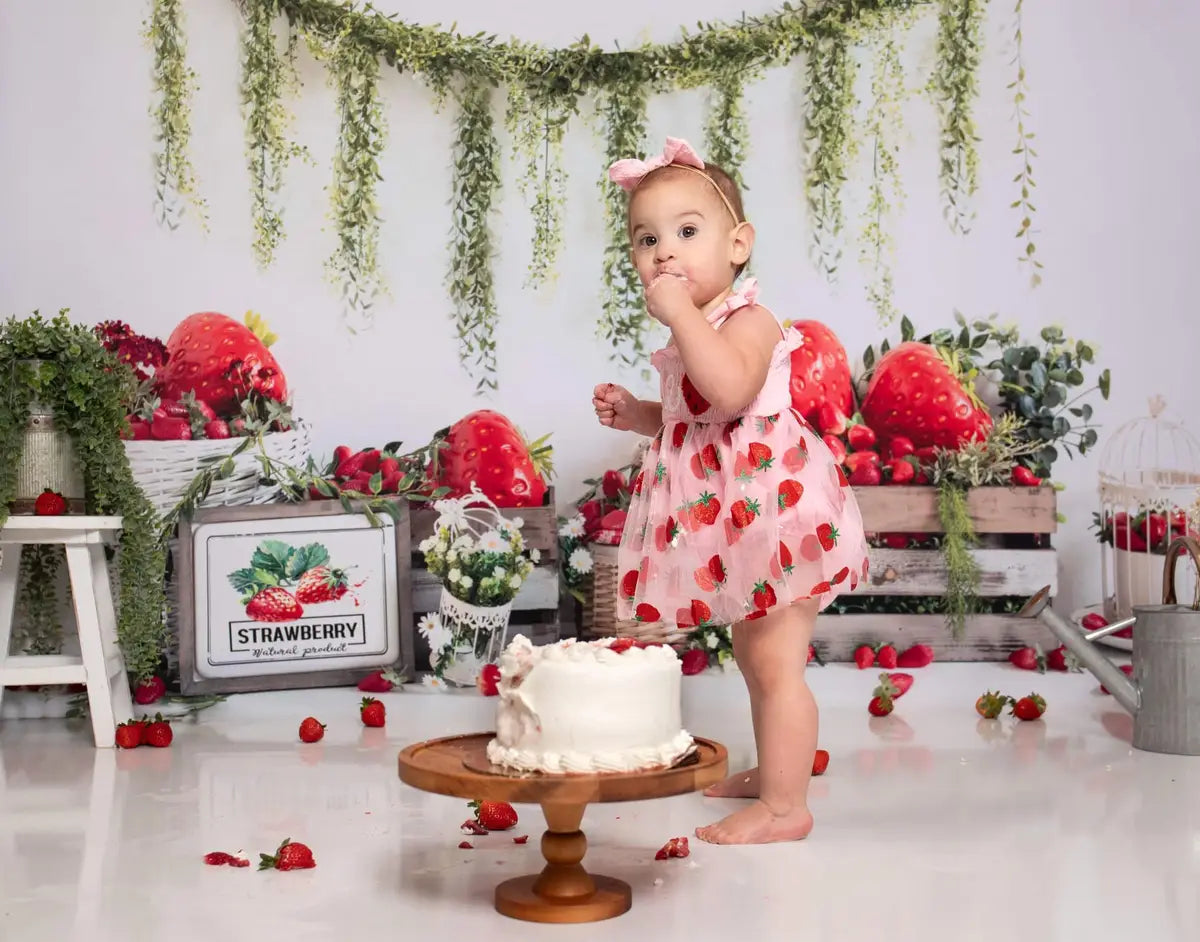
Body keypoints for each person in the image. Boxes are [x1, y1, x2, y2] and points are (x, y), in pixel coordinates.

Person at [593, 137, 868, 845]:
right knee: (754, 657)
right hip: (740, 526)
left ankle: (786, 808)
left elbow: (732, 388)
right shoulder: (699, 330)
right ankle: (776, 772)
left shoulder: (748, 319)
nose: (664, 253)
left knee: (777, 664)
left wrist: (681, 318)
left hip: (775, 517)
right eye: (646, 239)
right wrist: (638, 412)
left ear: (738, 244)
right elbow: (697, 414)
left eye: (687, 232)